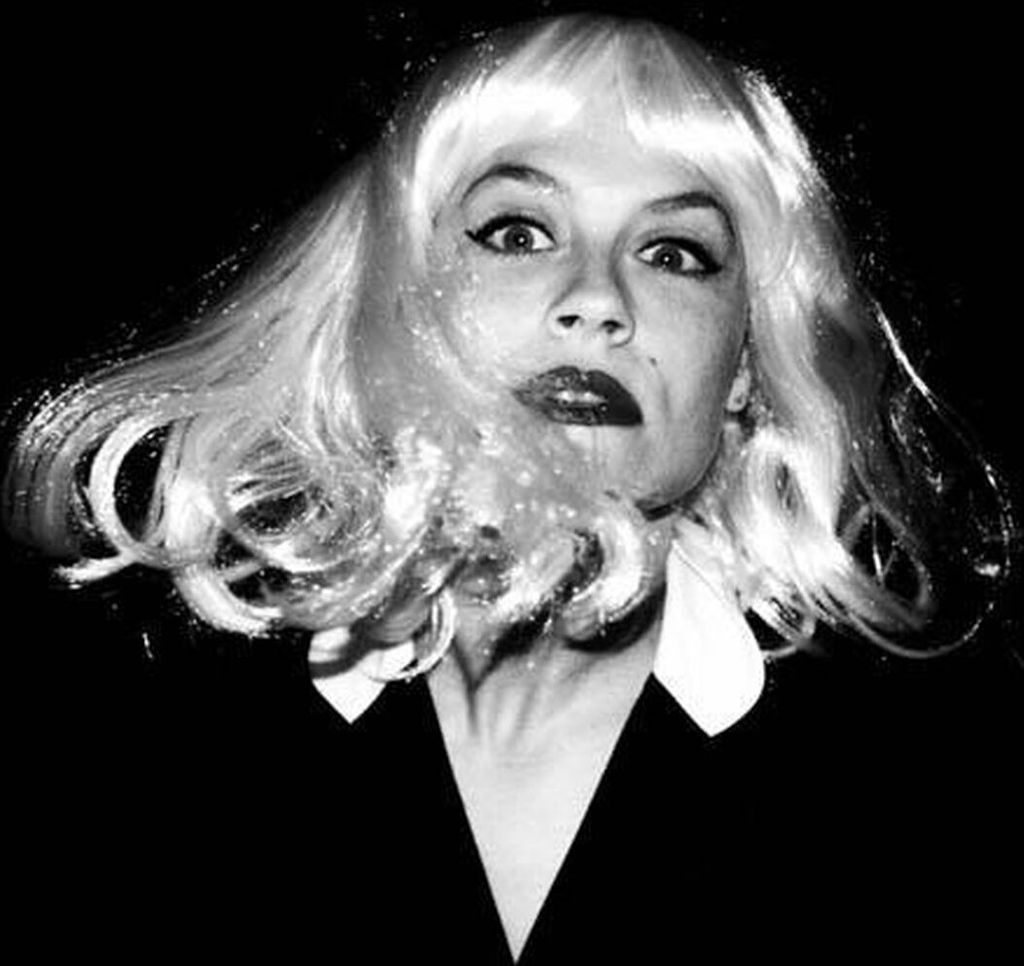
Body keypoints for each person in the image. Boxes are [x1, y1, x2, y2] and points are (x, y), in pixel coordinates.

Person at [4, 12, 1017, 961]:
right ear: (389, 304)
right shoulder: (133, 726)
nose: (596, 301)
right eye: (518, 233)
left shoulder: (920, 779)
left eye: (674, 253)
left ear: (745, 368)